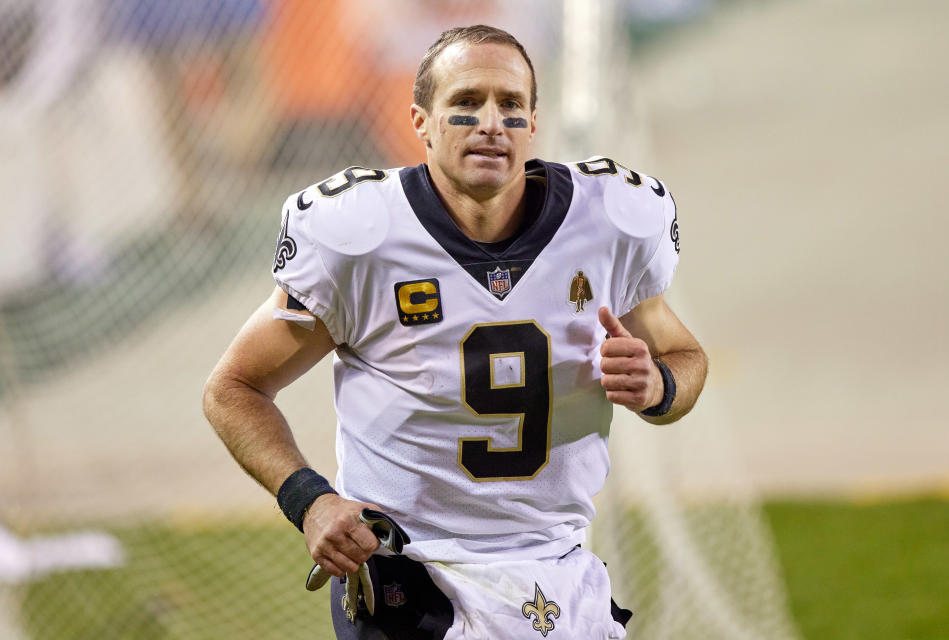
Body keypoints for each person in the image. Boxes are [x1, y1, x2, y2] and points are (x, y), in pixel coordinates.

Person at [203, 24, 707, 640]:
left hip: (557, 570)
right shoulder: (359, 238)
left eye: (510, 106)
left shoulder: (607, 222)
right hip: (407, 577)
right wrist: (310, 500)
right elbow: (233, 387)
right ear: (421, 121)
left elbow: (684, 356)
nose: (491, 123)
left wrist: (657, 385)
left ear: (533, 123)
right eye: (466, 104)